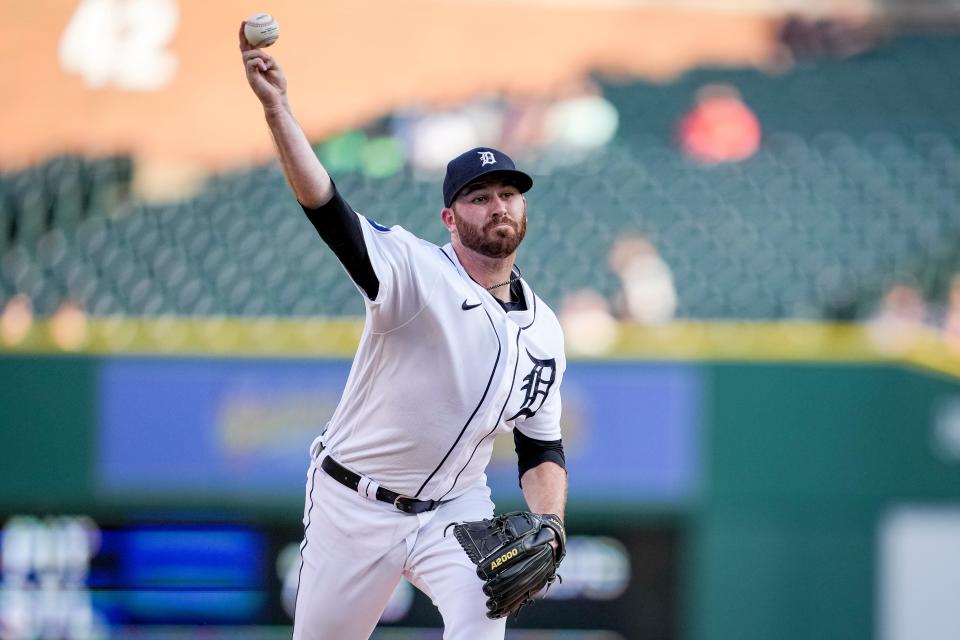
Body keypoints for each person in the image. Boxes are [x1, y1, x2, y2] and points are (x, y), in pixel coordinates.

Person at [238, 23, 568, 640]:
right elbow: (326, 209)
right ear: (449, 217)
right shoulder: (415, 271)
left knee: (483, 617)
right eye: (478, 197)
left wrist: (550, 522)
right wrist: (278, 109)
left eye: (508, 194)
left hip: (455, 510)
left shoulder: (545, 328)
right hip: (355, 503)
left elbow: (540, 447)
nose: (498, 205)